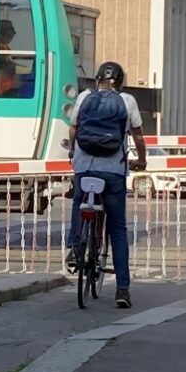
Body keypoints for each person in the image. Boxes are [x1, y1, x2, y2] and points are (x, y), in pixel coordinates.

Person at [65, 60, 146, 309]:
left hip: (85, 166)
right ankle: (122, 289)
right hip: (113, 172)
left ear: (98, 79)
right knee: (117, 229)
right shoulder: (127, 101)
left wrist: (72, 154)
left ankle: (76, 246)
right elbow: (138, 136)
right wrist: (141, 160)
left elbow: (73, 130)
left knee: (79, 201)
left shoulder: (84, 97)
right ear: (119, 82)